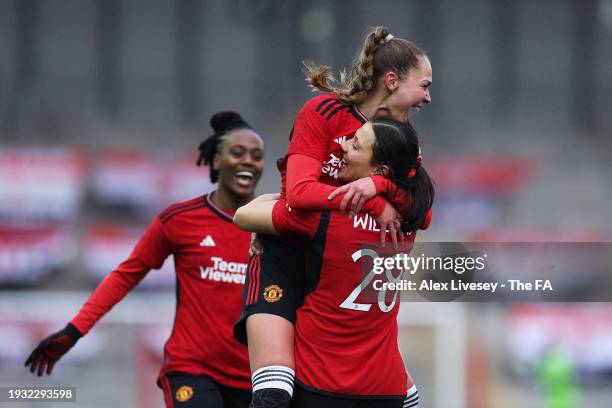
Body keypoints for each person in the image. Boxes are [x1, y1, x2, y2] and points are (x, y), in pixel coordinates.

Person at [233, 26, 432, 408]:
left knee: (401, 394)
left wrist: (379, 189)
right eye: (423, 85)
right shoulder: (322, 112)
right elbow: (299, 194)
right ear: (392, 81)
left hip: (338, 255)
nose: (428, 96)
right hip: (289, 249)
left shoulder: (402, 135)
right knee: (274, 393)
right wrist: (371, 201)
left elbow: (417, 207)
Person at [25, 112, 265, 408]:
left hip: (255, 376)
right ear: (216, 161)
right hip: (192, 369)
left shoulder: (275, 224)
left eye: (256, 155)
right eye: (237, 153)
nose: (248, 161)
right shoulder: (180, 220)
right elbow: (125, 276)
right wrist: (74, 331)